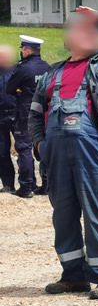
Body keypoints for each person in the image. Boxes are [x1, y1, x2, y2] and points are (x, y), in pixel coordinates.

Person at [29, 6, 98, 300]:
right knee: (63, 216)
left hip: (94, 153)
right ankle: (73, 276)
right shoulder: (52, 73)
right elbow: (34, 115)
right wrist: (41, 145)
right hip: (56, 157)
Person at [7, 36, 50, 198]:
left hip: (26, 112)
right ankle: (46, 184)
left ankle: (26, 186)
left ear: (27, 50)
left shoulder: (23, 69)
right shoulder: (47, 67)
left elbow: (10, 89)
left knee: (24, 148)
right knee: (43, 146)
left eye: (22, 49)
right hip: (45, 112)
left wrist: (20, 91)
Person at [0, 45, 18, 193]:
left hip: (17, 114)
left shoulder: (19, 70)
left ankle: (28, 183)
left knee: (24, 149)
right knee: (2, 151)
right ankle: (8, 184)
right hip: (0, 115)